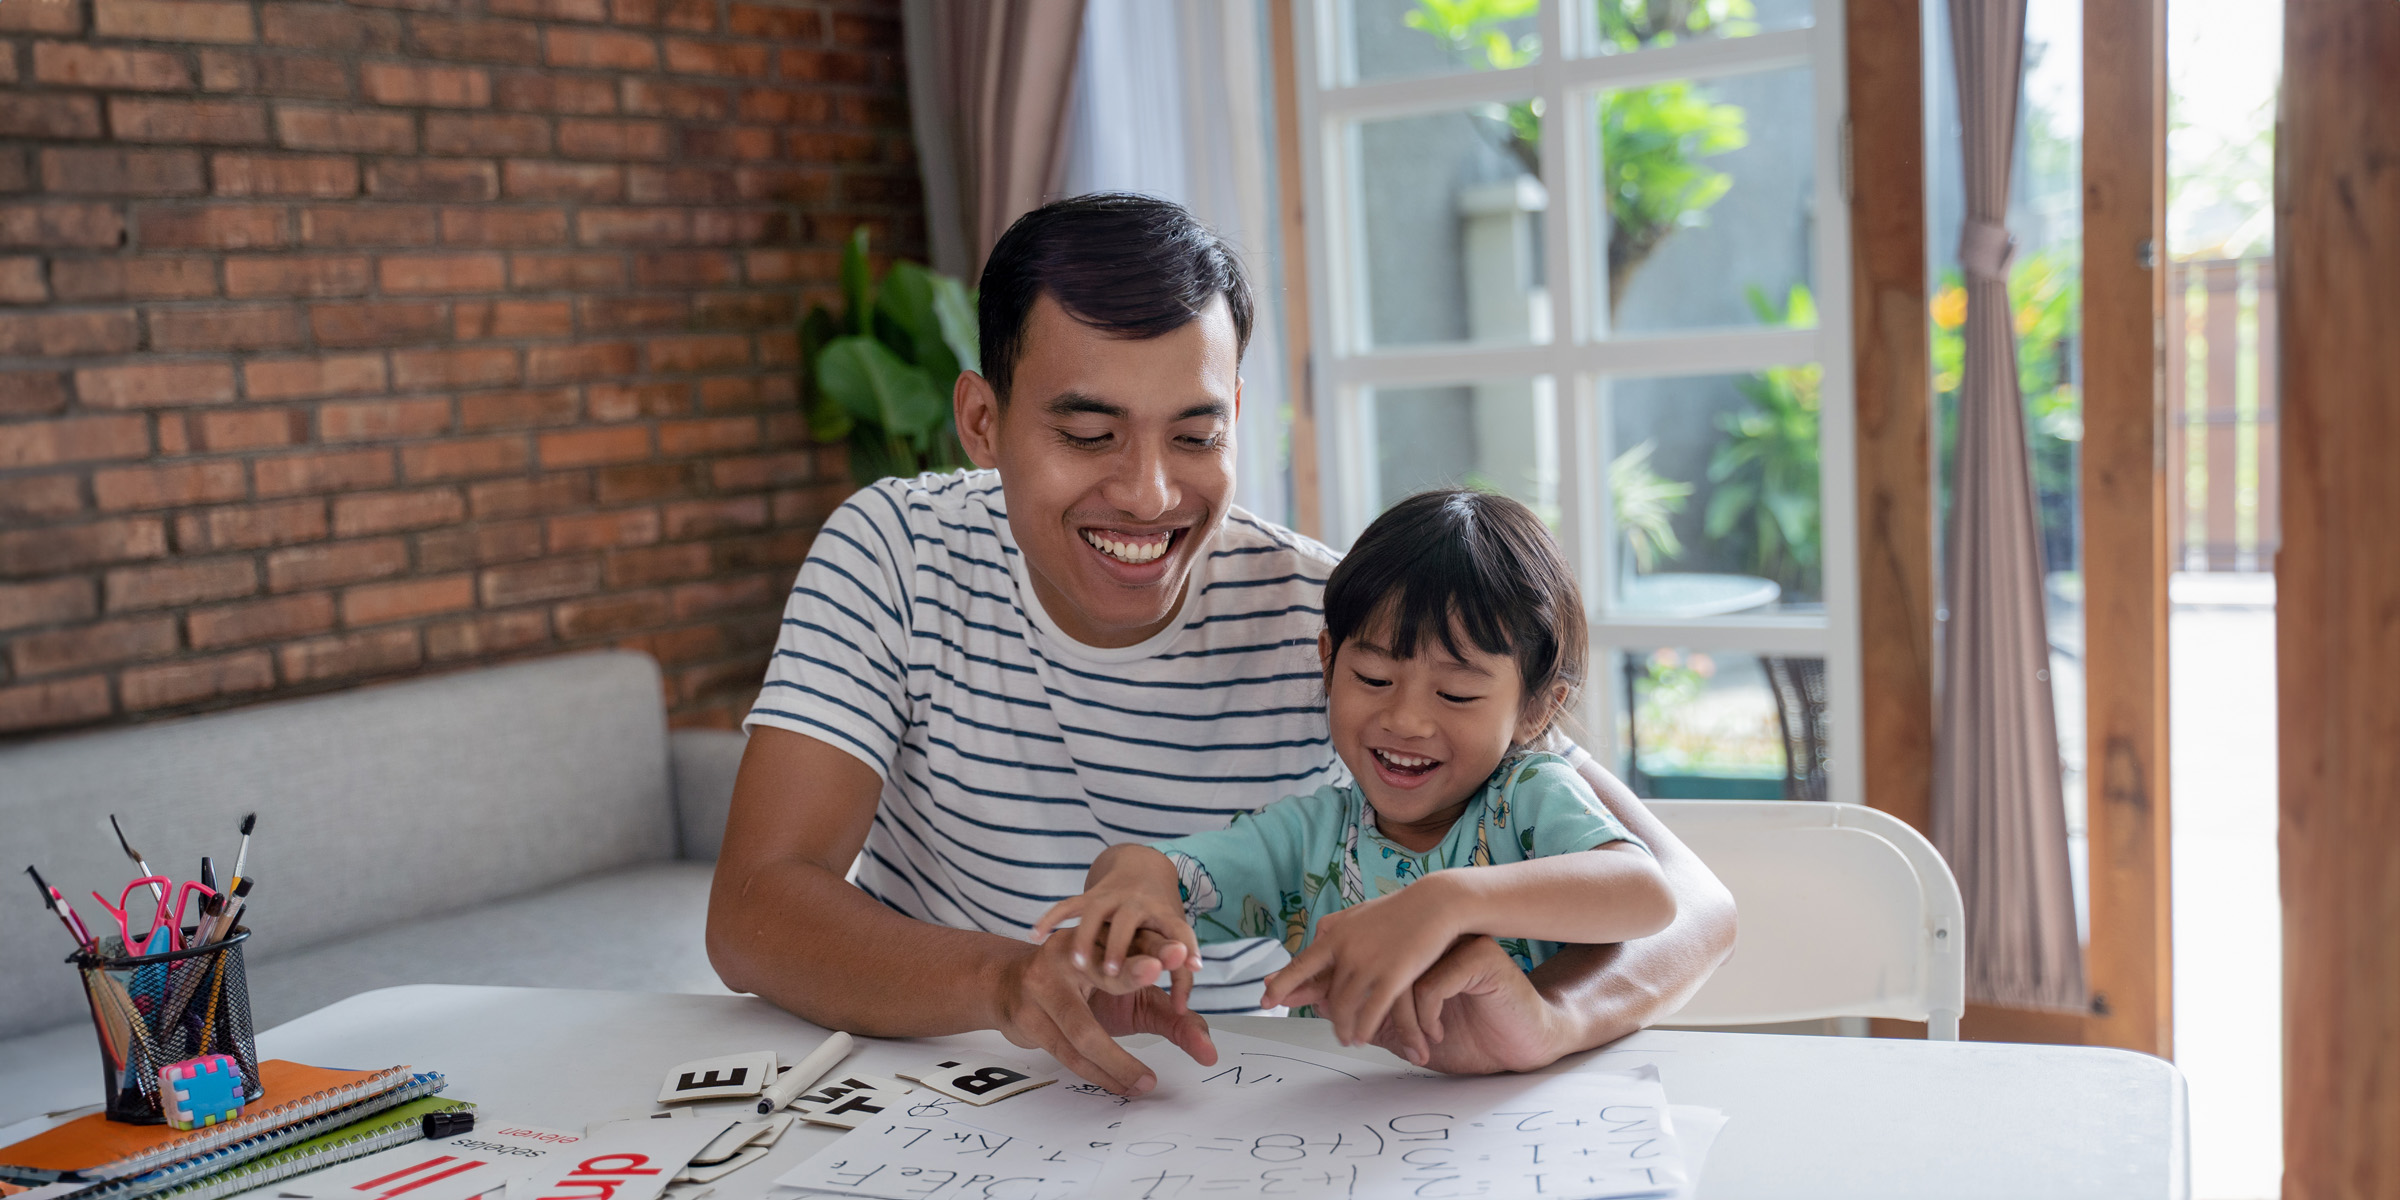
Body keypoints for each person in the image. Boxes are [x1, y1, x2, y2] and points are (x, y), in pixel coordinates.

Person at [706, 193, 1734, 1098]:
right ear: (982, 419)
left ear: (1239, 416)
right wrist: (1006, 983)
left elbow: (1691, 903)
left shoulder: (1347, 629)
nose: (1150, 494)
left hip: (1238, 1106)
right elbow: (756, 909)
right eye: (1087, 434)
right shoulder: (894, 551)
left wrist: (1543, 1021)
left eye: (1196, 436)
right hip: (939, 1088)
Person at [1034, 489, 1677, 1065]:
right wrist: (1128, 885)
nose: (1406, 719)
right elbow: (1163, 874)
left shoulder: (1530, 799)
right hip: (1339, 1135)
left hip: (1522, 1127)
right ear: (1328, 662)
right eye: (1373, 679)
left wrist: (1447, 900)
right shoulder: (1307, 839)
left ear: (1538, 708)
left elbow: (1646, 893)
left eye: (1455, 694)